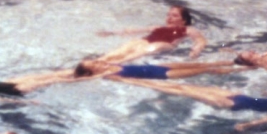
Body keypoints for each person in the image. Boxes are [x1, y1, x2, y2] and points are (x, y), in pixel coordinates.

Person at [114, 75, 267, 131]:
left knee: (185, 91)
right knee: (187, 84)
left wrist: (247, 125)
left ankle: (129, 80)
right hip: (237, 95)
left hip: (230, 104)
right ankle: (134, 79)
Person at [96, 5, 206, 63]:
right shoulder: (157, 27)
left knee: (157, 45)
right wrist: (111, 33)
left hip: (166, 45)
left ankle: (118, 62)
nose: (169, 18)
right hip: (145, 43)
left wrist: (197, 49)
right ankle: (100, 61)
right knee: (134, 42)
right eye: (168, 15)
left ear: (183, 20)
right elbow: (133, 30)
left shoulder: (187, 29)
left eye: (174, 16)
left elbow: (200, 40)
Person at [73, 57, 248, 82]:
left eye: (93, 61)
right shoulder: (105, 74)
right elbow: (82, 79)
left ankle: (239, 61)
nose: (96, 62)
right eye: (92, 65)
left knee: (206, 64)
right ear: (91, 72)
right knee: (207, 70)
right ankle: (244, 70)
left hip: (159, 66)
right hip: (164, 74)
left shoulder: (108, 63)